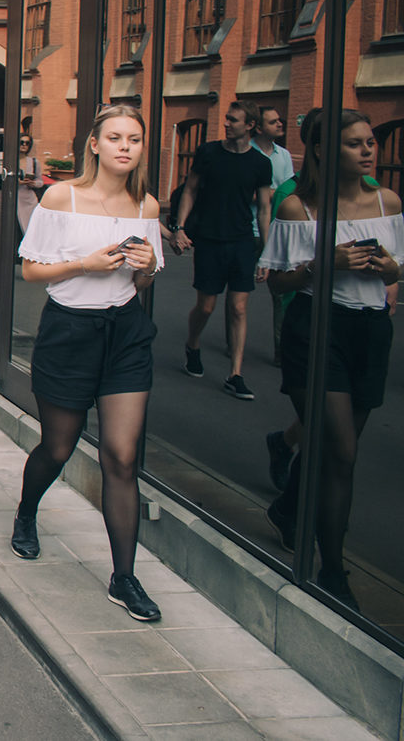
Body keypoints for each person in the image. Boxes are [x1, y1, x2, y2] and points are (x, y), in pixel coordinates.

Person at [9, 104, 166, 623]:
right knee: (58, 448)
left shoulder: (146, 206)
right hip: (69, 333)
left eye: (134, 139)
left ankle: (124, 577)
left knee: (121, 457)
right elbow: (31, 271)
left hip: (126, 333)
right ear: (94, 145)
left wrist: (146, 268)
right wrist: (85, 264)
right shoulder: (62, 197)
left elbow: (141, 282)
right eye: (115, 138)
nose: (125, 147)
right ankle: (26, 512)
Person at [261, 109, 401, 611]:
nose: (367, 151)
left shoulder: (388, 202)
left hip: (370, 332)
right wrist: (325, 264)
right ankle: (332, 571)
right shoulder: (299, 208)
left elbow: (396, 275)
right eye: (354, 144)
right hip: (318, 329)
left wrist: (388, 268)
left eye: (370, 143)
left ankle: (288, 509)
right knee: (340, 450)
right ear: (323, 151)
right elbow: (277, 281)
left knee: (333, 448)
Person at [171, 100, 273, 400]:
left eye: (233, 120)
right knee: (206, 306)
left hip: (242, 240)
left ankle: (235, 374)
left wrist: (267, 253)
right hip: (210, 239)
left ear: (250, 126)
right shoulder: (208, 153)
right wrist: (179, 227)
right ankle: (193, 344)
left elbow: (264, 208)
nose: (226, 123)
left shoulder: (260, 163)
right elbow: (190, 190)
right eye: (227, 118)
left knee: (239, 308)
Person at [251, 106, 296, 365]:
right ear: (258, 127)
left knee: (279, 294)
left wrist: (267, 193)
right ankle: (234, 343)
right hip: (248, 231)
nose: (280, 124)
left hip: (276, 232)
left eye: (280, 120)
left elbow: (288, 193)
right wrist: (272, 193)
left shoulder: (284, 155)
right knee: (239, 295)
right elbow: (247, 193)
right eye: (273, 121)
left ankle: (282, 350)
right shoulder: (247, 153)